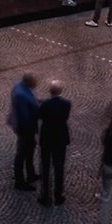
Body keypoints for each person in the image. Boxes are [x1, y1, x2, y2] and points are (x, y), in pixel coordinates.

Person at [37, 79, 72, 207]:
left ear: (50, 91)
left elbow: (40, 116)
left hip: (47, 138)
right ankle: (58, 195)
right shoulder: (67, 104)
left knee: (45, 168)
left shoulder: (45, 105)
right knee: (59, 167)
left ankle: (45, 196)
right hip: (60, 139)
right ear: (61, 91)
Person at [9, 72, 40, 191]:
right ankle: (20, 181)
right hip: (24, 128)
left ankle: (31, 173)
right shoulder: (21, 95)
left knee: (30, 149)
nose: (36, 84)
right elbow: (25, 117)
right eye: (34, 82)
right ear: (29, 82)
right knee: (22, 153)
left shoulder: (21, 87)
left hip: (25, 126)